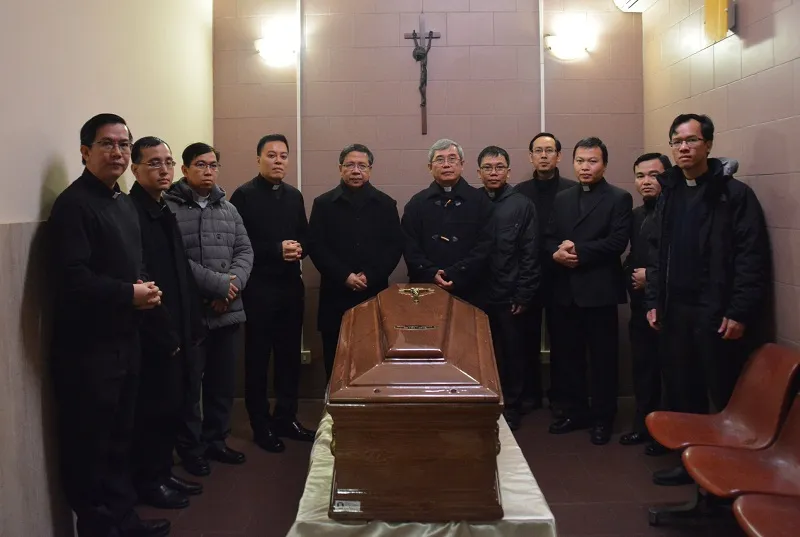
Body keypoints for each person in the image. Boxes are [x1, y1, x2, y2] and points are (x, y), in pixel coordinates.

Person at [49, 114, 170, 536]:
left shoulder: (122, 202)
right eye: (107, 144)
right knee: (91, 446)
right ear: (85, 152)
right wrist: (128, 293)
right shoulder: (73, 205)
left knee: (121, 439)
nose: (117, 152)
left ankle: (124, 520)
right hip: (88, 350)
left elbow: (130, 264)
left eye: (123, 144)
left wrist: (143, 288)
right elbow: (72, 278)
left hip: (126, 339)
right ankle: (100, 527)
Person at [645, 114, 770, 486]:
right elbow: (658, 254)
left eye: (692, 140)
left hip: (716, 312)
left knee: (722, 391)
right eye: (677, 141)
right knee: (683, 391)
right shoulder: (669, 193)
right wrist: (654, 300)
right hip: (675, 310)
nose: (683, 147)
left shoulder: (734, 195)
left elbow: (751, 257)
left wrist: (739, 310)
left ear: (709, 145)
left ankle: (728, 471)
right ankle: (690, 465)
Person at [165, 143, 253, 476]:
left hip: (227, 310)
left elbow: (245, 251)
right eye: (201, 165)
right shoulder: (169, 208)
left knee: (222, 383)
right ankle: (191, 448)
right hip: (192, 313)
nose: (208, 171)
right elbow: (174, 259)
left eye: (213, 165)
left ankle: (217, 440)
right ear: (185, 169)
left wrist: (232, 286)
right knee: (190, 387)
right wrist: (217, 286)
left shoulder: (228, 209)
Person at [128, 137, 205, 509]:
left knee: (173, 405)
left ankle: (163, 472)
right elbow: (140, 276)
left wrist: (192, 322)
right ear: (135, 169)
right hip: (155, 330)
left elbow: (180, 270)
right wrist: (167, 333)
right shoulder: (132, 212)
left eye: (168, 162)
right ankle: (150, 481)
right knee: (154, 410)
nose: (164, 170)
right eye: (154, 163)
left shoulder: (162, 206)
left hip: (179, 324)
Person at [229, 134, 315, 454]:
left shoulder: (294, 196)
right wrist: (276, 249)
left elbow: (305, 236)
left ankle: (286, 418)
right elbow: (239, 244)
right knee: (258, 358)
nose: (278, 161)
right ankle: (260, 423)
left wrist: (299, 249)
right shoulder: (244, 195)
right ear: (258, 159)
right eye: (271, 155)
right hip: (258, 289)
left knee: (289, 357)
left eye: (283, 155)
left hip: (290, 287)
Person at [545, 136, 632, 445]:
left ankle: (603, 418)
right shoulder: (562, 198)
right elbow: (549, 236)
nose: (585, 167)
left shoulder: (618, 198)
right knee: (568, 358)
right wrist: (556, 252)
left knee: (603, 360)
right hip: (565, 291)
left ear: (604, 164)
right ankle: (575, 412)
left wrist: (577, 251)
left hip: (598, 292)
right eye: (580, 161)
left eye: (592, 161)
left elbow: (617, 242)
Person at [307, 144, 404, 380]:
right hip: (335, 293)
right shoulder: (323, 204)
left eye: (362, 165)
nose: (356, 171)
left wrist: (370, 275)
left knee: (372, 359)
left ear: (370, 169)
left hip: (373, 293)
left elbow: (394, 247)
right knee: (335, 359)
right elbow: (316, 246)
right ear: (340, 168)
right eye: (350, 165)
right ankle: (333, 402)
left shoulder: (386, 204)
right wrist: (344, 276)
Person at [477, 146, 539, 431]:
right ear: (478, 172)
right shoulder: (472, 201)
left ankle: (512, 405)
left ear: (509, 171)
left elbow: (530, 252)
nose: (494, 173)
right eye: (488, 168)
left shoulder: (522, 205)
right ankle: (483, 403)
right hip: (477, 295)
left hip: (510, 294)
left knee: (512, 353)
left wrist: (524, 292)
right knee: (480, 353)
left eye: (499, 167)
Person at [515, 133, 577, 414]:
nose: (543, 155)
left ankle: (561, 396)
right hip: (527, 276)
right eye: (538, 151)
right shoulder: (519, 192)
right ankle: (530, 395)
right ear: (530, 157)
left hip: (562, 276)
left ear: (559, 156)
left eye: (549, 150)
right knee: (525, 339)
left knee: (563, 340)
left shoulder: (572, 190)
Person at [401, 138, 494, 307]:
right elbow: (409, 246)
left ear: (462, 164)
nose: (446, 165)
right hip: (426, 287)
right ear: (430, 167)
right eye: (440, 159)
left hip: (471, 288)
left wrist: (457, 273)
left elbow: (485, 245)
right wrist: (431, 273)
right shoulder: (416, 204)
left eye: (452, 159)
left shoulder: (480, 201)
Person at [619, 152, 670, 454]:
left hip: (669, 308)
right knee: (643, 368)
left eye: (654, 175)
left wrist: (650, 277)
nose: (646, 181)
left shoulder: (676, 213)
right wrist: (632, 275)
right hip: (641, 306)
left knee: (670, 373)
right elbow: (631, 256)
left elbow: (686, 261)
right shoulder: (638, 215)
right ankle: (644, 426)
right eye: (640, 176)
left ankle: (667, 435)